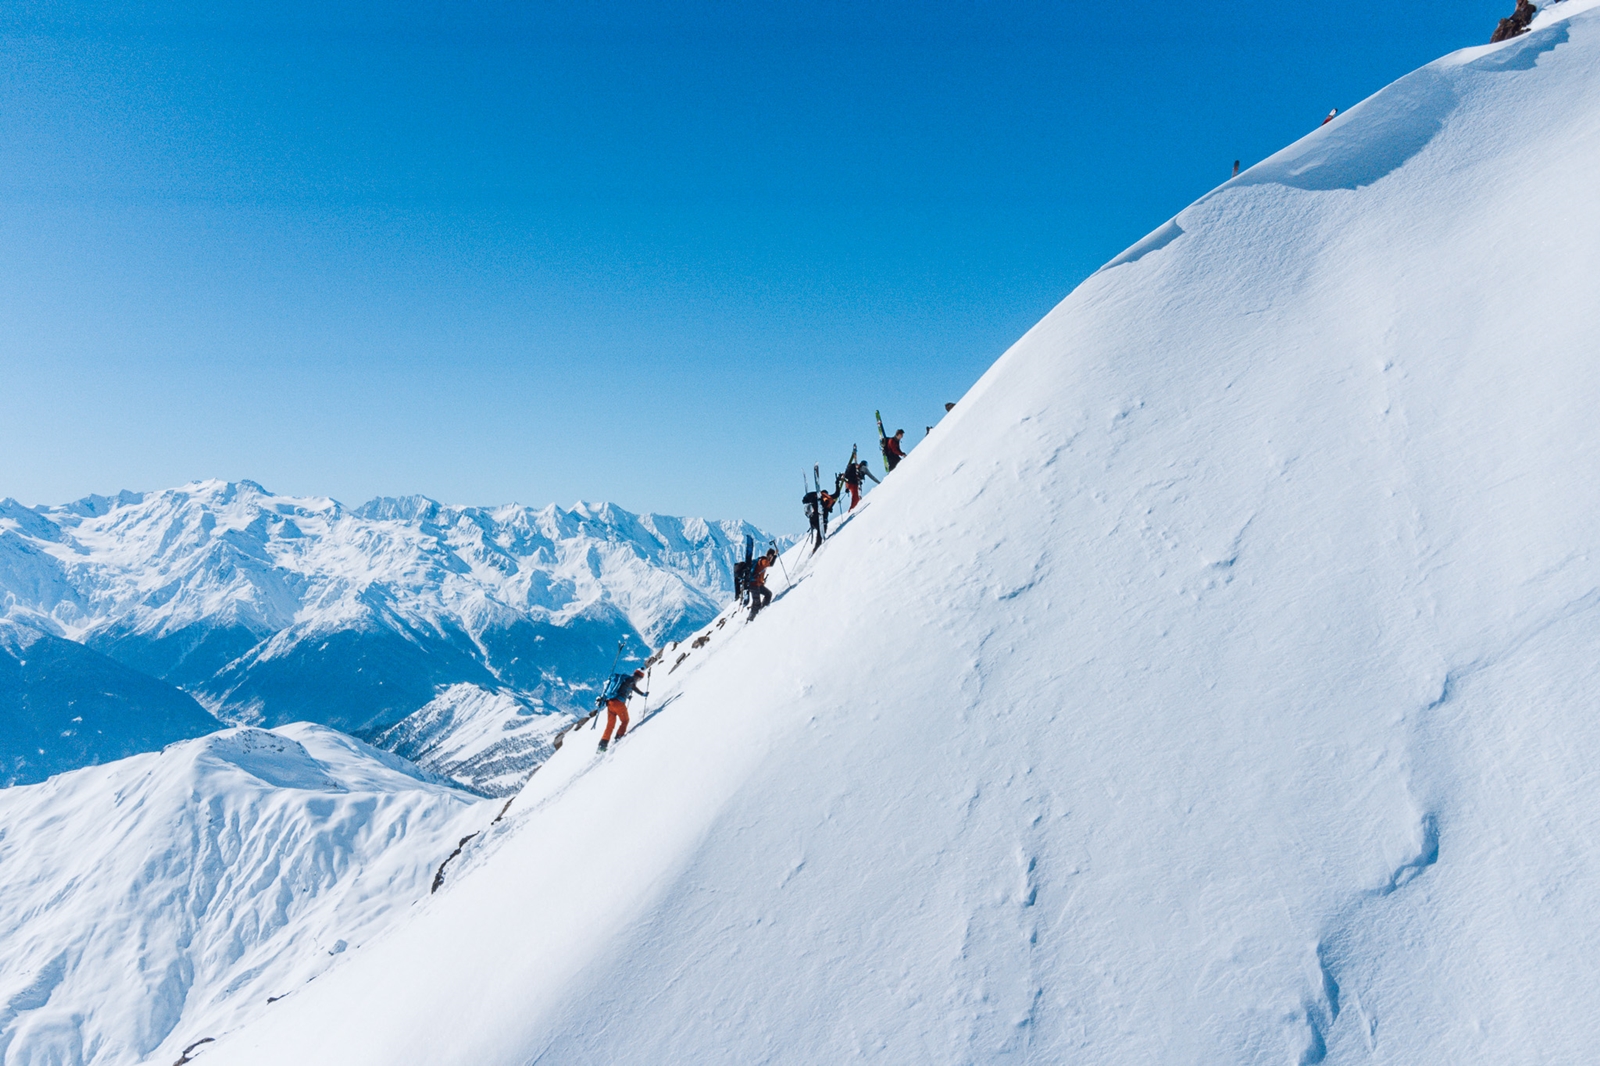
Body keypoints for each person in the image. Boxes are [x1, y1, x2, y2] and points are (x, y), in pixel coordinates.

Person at [599, 668, 647, 751]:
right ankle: (618, 737)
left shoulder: (624, 679)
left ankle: (602, 746)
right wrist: (643, 694)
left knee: (610, 725)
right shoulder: (631, 680)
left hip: (610, 702)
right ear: (639, 677)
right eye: (640, 678)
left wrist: (626, 695)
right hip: (618, 704)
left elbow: (623, 689)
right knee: (625, 721)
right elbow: (634, 688)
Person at [748, 548, 776, 620]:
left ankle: (762, 612)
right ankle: (750, 619)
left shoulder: (762, 560)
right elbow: (771, 564)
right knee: (756, 603)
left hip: (758, 584)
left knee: (768, 594)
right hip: (754, 585)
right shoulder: (763, 561)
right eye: (771, 557)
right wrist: (775, 555)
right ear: (770, 555)